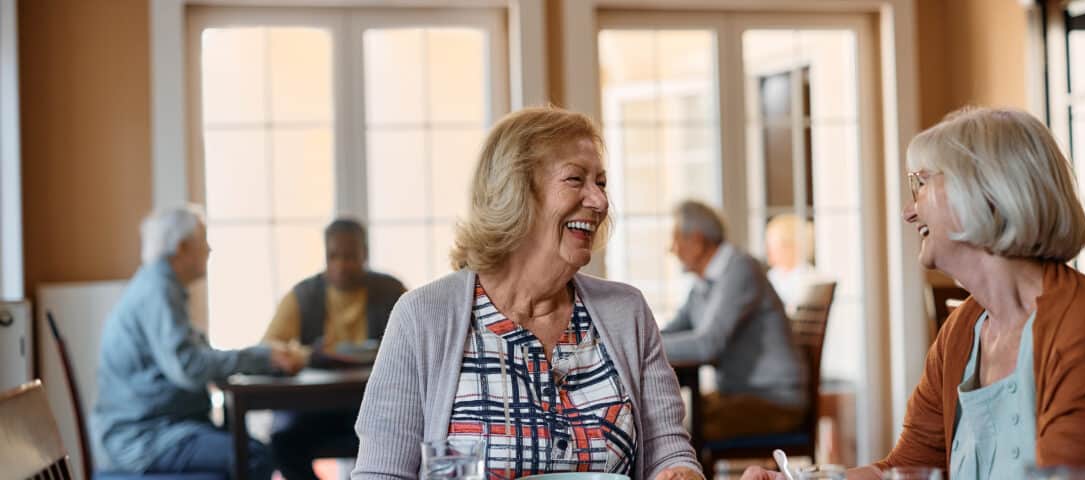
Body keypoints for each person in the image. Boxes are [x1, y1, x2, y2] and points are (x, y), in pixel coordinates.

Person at [741, 107, 1085, 480]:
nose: (907, 209)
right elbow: (907, 469)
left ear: (988, 195)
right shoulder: (966, 328)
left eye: (922, 183)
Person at [352, 106, 702, 480]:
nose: (600, 201)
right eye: (575, 179)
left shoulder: (626, 312)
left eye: (600, 183)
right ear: (517, 191)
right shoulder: (423, 317)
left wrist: (681, 472)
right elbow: (381, 474)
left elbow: (670, 451)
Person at [91, 205, 303, 479]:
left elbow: (194, 358)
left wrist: (261, 357)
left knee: (250, 447)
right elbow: (190, 368)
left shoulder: (159, 287)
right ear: (181, 248)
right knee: (254, 455)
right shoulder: (158, 291)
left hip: (156, 428)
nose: (209, 249)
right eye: (203, 241)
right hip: (145, 438)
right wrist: (263, 357)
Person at [263, 218, 406, 480]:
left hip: (377, 406)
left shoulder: (391, 290)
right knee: (281, 443)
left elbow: (417, 342)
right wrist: (308, 355)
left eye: (350, 256)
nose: (341, 265)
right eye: (334, 256)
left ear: (365, 254)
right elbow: (269, 347)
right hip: (316, 409)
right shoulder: (304, 295)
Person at [660, 200, 808, 441]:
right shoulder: (703, 283)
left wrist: (642, 347)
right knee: (663, 419)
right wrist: (641, 338)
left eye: (676, 239)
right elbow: (673, 330)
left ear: (697, 242)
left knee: (673, 430)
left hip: (774, 401)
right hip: (741, 396)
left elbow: (707, 345)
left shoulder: (740, 270)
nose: (672, 249)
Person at [763, 213, 824, 313]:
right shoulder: (772, 276)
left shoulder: (811, 280)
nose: (768, 251)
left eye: (773, 246)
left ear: (792, 246)